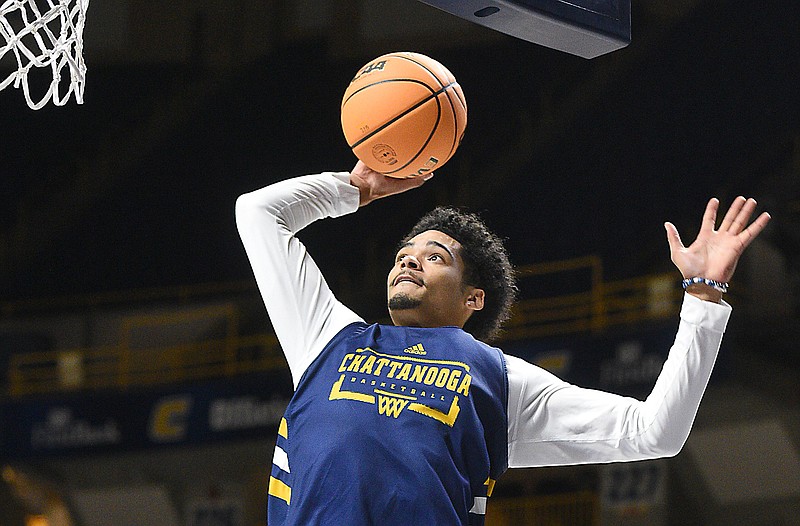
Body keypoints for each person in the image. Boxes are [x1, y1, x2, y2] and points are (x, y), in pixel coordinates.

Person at [235, 161, 770, 526]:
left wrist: (703, 298)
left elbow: (654, 432)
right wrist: (359, 189)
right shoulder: (327, 336)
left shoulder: (497, 377)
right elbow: (258, 212)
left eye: (435, 256)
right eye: (404, 250)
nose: (408, 258)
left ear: (473, 299)